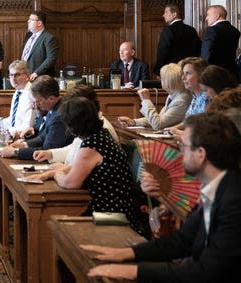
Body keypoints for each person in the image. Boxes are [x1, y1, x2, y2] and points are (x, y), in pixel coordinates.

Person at [82, 112, 241, 282]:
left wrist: (134, 271)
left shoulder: (234, 201)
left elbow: (207, 272)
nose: (180, 152)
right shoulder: (217, 186)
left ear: (200, 154)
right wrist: (127, 253)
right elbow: (183, 240)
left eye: (183, 146)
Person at [51, 96, 143, 234]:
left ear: (73, 125)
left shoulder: (92, 145)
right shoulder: (100, 136)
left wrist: (57, 174)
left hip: (110, 213)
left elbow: (70, 183)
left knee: (56, 223)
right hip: (115, 208)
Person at [33, 84, 119, 167]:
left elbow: (82, 166)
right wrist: (51, 154)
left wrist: (60, 170)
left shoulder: (102, 130)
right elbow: (75, 148)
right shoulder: (87, 124)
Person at [0, 75, 74, 159]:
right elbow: (43, 137)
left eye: (39, 101)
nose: (36, 106)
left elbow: (47, 150)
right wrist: (23, 145)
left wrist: (15, 152)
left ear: (51, 98)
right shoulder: (53, 108)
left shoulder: (59, 115)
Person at [117, 63, 191, 130]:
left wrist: (146, 100)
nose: (159, 80)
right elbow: (159, 118)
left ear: (168, 82)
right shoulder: (173, 95)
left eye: (161, 78)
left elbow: (157, 124)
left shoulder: (181, 100)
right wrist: (134, 122)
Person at [0, 60, 36, 137]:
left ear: (27, 76)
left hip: (26, 139)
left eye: (17, 75)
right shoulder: (17, 93)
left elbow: (26, 129)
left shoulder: (32, 95)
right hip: (14, 135)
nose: (13, 78)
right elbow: (12, 120)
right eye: (11, 75)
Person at [153, 4, 201, 75]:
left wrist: (158, 70)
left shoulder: (168, 30)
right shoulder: (191, 30)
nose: (163, 15)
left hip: (173, 72)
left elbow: (162, 53)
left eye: (166, 12)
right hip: (190, 71)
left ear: (174, 14)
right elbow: (198, 50)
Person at [200, 4, 241, 79]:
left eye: (208, 15)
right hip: (231, 73)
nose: (206, 18)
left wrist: (202, 73)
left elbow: (206, 55)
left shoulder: (211, 30)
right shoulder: (235, 31)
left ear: (217, 16)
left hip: (214, 74)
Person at [20, 11, 59, 80]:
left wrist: (36, 73)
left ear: (39, 23)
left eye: (31, 20)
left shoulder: (49, 38)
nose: (28, 21)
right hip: (25, 76)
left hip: (40, 78)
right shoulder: (28, 36)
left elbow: (51, 59)